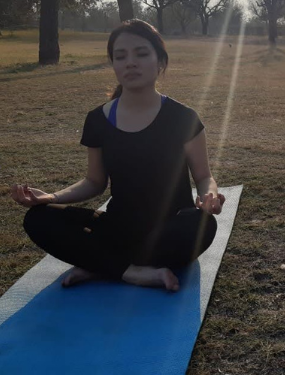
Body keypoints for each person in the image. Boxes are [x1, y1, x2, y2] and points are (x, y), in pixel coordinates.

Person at [11, 19, 224, 292]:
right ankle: (132, 272)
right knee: (38, 218)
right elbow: (94, 182)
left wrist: (210, 196)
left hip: (170, 230)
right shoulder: (98, 119)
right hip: (117, 229)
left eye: (141, 53)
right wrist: (51, 198)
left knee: (202, 224)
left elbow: (204, 176)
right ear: (113, 65)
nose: (130, 62)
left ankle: (101, 264)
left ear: (160, 61)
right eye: (120, 56)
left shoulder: (184, 118)